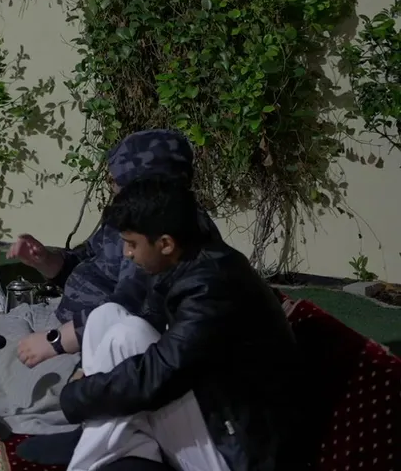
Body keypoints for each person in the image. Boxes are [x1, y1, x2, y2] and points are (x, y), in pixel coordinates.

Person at [60, 176, 297, 471]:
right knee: (106, 316)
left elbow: (159, 374)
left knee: (126, 335)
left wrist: (77, 395)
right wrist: (87, 380)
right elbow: (152, 327)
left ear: (166, 244)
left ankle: (90, 457)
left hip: (236, 450)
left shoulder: (211, 286)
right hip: (212, 409)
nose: (127, 254)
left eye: (132, 244)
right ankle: (115, 449)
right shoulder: (184, 260)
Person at [8, 128, 221, 368]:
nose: (113, 186)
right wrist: (46, 260)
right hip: (68, 318)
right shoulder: (128, 215)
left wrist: (55, 342)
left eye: (117, 179)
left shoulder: (161, 232)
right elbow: (87, 258)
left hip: (92, 339)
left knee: (3, 365)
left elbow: (128, 308)